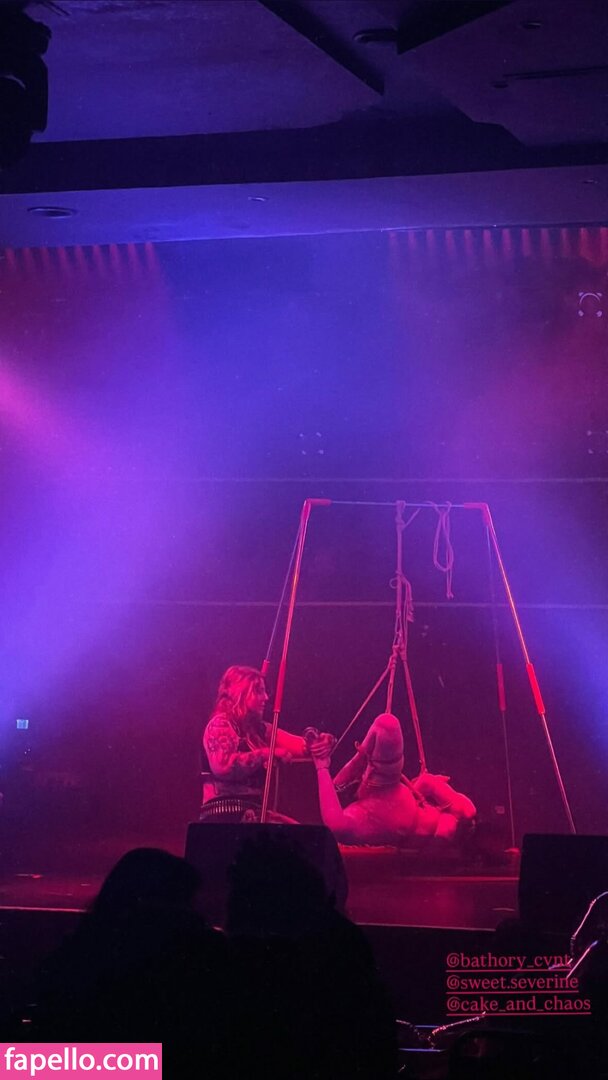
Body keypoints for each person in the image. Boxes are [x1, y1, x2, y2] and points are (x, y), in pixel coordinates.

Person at [310, 711, 476, 846]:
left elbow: (428, 784)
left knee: (337, 826)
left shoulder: (460, 818)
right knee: (387, 725)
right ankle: (354, 761)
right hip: (390, 797)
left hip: (386, 813)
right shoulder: (463, 814)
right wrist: (420, 792)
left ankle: (331, 764)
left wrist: (322, 766)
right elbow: (428, 783)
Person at [200, 665, 331, 822]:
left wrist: (321, 742)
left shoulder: (260, 729)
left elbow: (301, 746)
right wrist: (267, 753)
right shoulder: (220, 724)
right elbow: (223, 767)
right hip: (224, 815)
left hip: (252, 813)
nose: (266, 698)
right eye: (259, 691)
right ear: (241, 693)